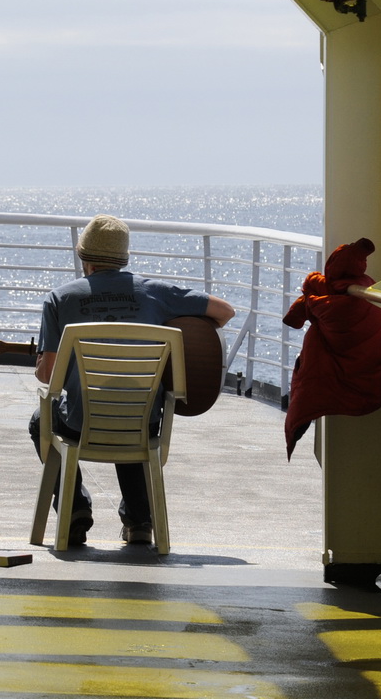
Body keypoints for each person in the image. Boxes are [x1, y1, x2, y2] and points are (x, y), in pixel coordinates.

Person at [29, 214, 234, 546]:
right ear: (123, 258)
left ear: (84, 258)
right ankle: (140, 521)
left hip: (80, 425)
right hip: (141, 423)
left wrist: (44, 360)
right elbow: (224, 311)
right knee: (131, 409)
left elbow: (48, 374)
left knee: (42, 420)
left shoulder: (59, 299)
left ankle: (74, 509)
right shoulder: (156, 292)